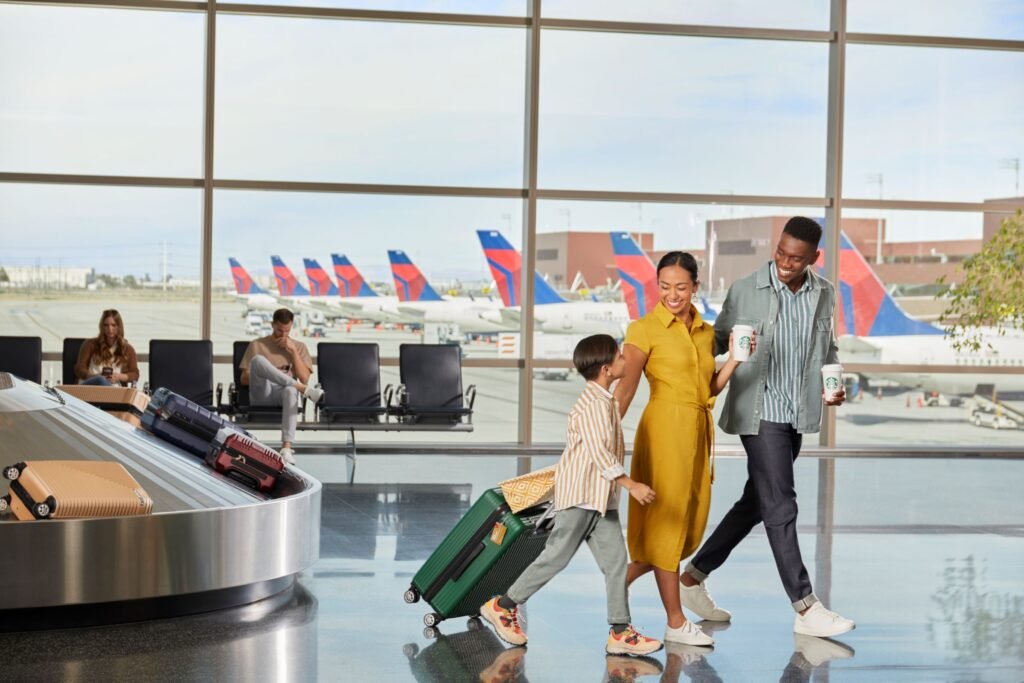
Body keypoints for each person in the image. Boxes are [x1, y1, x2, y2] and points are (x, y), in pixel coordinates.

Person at [678, 216, 855, 638]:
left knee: (756, 502)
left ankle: (693, 576)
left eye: (796, 259)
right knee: (781, 502)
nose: (785, 263)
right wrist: (679, 329)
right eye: (780, 253)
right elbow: (716, 340)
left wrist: (834, 380)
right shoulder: (746, 289)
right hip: (758, 410)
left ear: (814, 257)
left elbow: (826, 346)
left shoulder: (824, 294)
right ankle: (805, 604)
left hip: (796, 411)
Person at [479, 334, 663, 657]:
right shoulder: (592, 405)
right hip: (580, 496)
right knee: (556, 557)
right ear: (607, 369)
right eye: (620, 357)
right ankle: (503, 605)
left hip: (599, 498)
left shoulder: (604, 401)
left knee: (617, 562)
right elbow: (599, 452)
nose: (624, 361)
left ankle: (620, 631)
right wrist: (631, 484)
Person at [614, 252, 748, 647]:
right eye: (665, 286)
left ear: (695, 287)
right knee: (667, 525)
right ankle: (675, 621)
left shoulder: (706, 333)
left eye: (681, 287)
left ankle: (614, 584)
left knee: (679, 523)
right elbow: (627, 386)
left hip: (696, 433)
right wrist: (604, 436)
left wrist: (735, 360)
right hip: (662, 433)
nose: (672, 295)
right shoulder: (644, 329)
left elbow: (708, 389)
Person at [239, 308, 323, 464]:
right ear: (272, 325)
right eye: (279, 330)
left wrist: (293, 352)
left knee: (291, 390)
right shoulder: (257, 344)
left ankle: (286, 448)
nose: (283, 335)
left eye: (287, 331)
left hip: (283, 394)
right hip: (262, 392)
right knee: (258, 361)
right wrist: (268, 372)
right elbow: (244, 379)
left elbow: (304, 378)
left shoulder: (299, 346)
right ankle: (303, 391)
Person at [74, 309, 140, 387]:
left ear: (119, 327)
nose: (110, 329)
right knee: (101, 380)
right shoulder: (90, 344)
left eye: (113, 325)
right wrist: (95, 376)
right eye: (106, 325)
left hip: (114, 388)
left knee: (107, 384)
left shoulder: (128, 349)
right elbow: (79, 369)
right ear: (102, 327)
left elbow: (135, 374)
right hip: (90, 386)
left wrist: (119, 377)